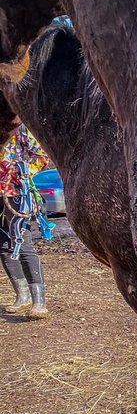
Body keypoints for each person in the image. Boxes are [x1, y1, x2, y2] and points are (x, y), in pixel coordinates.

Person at [1, 124, 50, 319]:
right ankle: (22, 296)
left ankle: (39, 301)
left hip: (18, 194)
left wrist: (21, 172)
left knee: (23, 244)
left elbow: (42, 157)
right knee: (3, 245)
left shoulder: (19, 130)